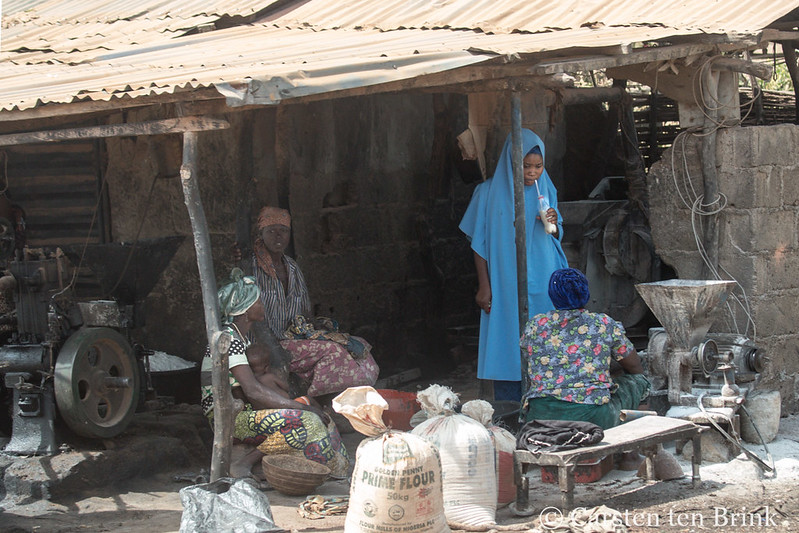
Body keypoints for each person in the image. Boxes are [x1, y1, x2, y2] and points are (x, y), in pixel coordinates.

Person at [200, 269, 349, 479]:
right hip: (229, 417)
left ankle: (329, 467)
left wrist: (298, 405)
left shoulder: (243, 340)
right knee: (305, 421)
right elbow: (252, 390)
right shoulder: (229, 339)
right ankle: (244, 463)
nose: (263, 306)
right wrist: (299, 407)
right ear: (245, 309)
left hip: (243, 410)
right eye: (258, 302)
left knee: (316, 418)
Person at [459, 129, 569, 401]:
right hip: (505, 279)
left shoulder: (547, 191)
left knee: (546, 338)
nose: (532, 172)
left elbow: (556, 235)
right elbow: (479, 244)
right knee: (507, 340)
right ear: (511, 162)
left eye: (538, 166)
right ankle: (510, 406)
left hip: (545, 277)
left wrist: (554, 223)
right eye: (526, 166)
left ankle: (547, 401)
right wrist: (484, 287)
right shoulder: (486, 193)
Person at [243, 206, 379, 399]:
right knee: (333, 351)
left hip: (294, 337)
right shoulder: (251, 267)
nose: (278, 236)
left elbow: (305, 312)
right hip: (270, 345)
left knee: (358, 345)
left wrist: (321, 330)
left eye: (283, 231)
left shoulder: (292, 267)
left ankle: (341, 395)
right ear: (261, 233)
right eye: (271, 231)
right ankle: (315, 398)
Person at [519, 268, 651, 430]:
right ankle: (632, 450)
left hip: (541, 415)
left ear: (553, 295)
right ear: (586, 293)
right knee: (642, 383)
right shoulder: (603, 324)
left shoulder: (535, 325)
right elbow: (634, 366)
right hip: (592, 416)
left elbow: (529, 358)